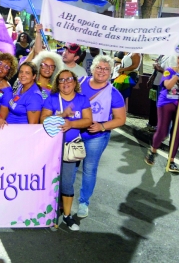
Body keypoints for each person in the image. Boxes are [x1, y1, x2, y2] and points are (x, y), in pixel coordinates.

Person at [41, 69, 93, 231]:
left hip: (70, 148)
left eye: (69, 79)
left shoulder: (82, 99)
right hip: (51, 147)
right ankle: (51, 214)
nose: (65, 83)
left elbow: (88, 120)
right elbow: (43, 119)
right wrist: (62, 115)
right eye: (61, 80)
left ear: (75, 82)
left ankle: (68, 216)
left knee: (67, 183)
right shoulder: (52, 99)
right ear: (57, 84)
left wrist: (71, 124)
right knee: (50, 181)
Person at [75, 55, 126, 218]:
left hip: (96, 136)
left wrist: (101, 126)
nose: (102, 71)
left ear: (111, 72)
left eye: (106, 69)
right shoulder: (79, 82)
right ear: (92, 68)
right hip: (74, 132)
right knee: (69, 167)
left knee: (89, 169)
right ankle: (63, 199)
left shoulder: (114, 93)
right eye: (99, 67)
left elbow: (121, 119)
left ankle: (84, 202)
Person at [146, 54, 179, 172]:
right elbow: (168, 85)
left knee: (177, 132)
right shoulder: (168, 71)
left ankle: (171, 161)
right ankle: (153, 150)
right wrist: (178, 75)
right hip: (166, 102)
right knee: (162, 131)